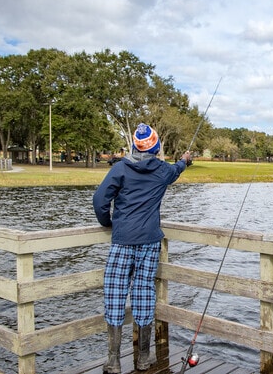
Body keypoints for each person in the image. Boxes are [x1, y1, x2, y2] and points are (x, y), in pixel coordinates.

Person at [93, 123, 192, 373]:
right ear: (157, 146)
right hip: (149, 241)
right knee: (144, 293)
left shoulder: (121, 168)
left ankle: (113, 360)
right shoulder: (161, 170)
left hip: (122, 239)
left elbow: (100, 200)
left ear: (134, 146)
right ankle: (143, 358)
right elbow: (176, 170)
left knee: (115, 293)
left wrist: (109, 223)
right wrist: (185, 160)